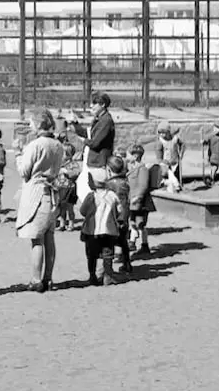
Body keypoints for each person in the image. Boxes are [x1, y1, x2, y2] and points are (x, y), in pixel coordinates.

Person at [14, 109, 65, 293]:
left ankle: (36, 279)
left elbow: (24, 171)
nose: (29, 126)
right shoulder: (58, 145)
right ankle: (48, 278)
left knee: (37, 240)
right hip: (52, 194)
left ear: (37, 124)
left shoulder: (36, 145)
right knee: (49, 238)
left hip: (36, 193)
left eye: (31, 123)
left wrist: (18, 154)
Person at [79, 158, 124, 286]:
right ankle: (108, 276)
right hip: (109, 230)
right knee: (108, 254)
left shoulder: (90, 196)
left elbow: (83, 211)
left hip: (91, 231)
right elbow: (119, 210)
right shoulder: (112, 195)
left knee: (91, 255)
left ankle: (92, 276)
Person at [66, 93, 116, 189]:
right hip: (92, 162)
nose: (91, 106)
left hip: (98, 164)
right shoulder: (99, 119)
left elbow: (94, 143)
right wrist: (75, 124)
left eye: (94, 103)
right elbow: (88, 134)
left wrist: (83, 140)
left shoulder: (106, 121)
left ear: (103, 105)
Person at [126, 144, 155, 256]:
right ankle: (134, 242)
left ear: (135, 156)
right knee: (133, 221)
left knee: (140, 224)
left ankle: (142, 244)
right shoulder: (132, 168)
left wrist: (138, 197)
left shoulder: (142, 169)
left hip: (140, 202)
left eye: (129, 154)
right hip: (132, 200)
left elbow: (143, 185)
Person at [155, 121, 184, 191]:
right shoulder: (160, 141)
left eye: (163, 132)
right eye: (160, 133)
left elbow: (182, 144)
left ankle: (177, 187)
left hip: (175, 161)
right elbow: (158, 152)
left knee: (176, 174)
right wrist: (160, 161)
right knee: (169, 176)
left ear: (168, 132)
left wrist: (181, 153)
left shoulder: (175, 138)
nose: (162, 135)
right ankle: (173, 187)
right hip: (166, 163)